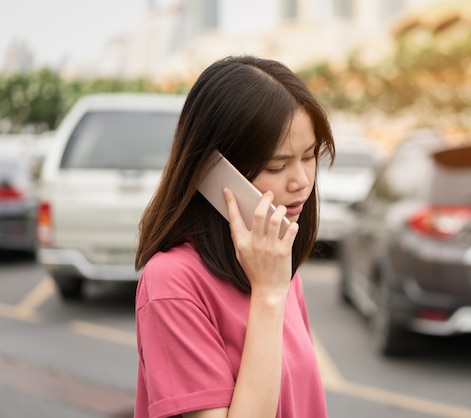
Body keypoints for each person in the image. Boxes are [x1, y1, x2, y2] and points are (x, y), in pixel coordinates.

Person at [133, 55, 335, 418]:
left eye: (310, 156)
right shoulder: (172, 284)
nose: (301, 181)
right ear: (214, 171)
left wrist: (273, 285)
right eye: (277, 165)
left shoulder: (274, 261)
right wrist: (269, 295)